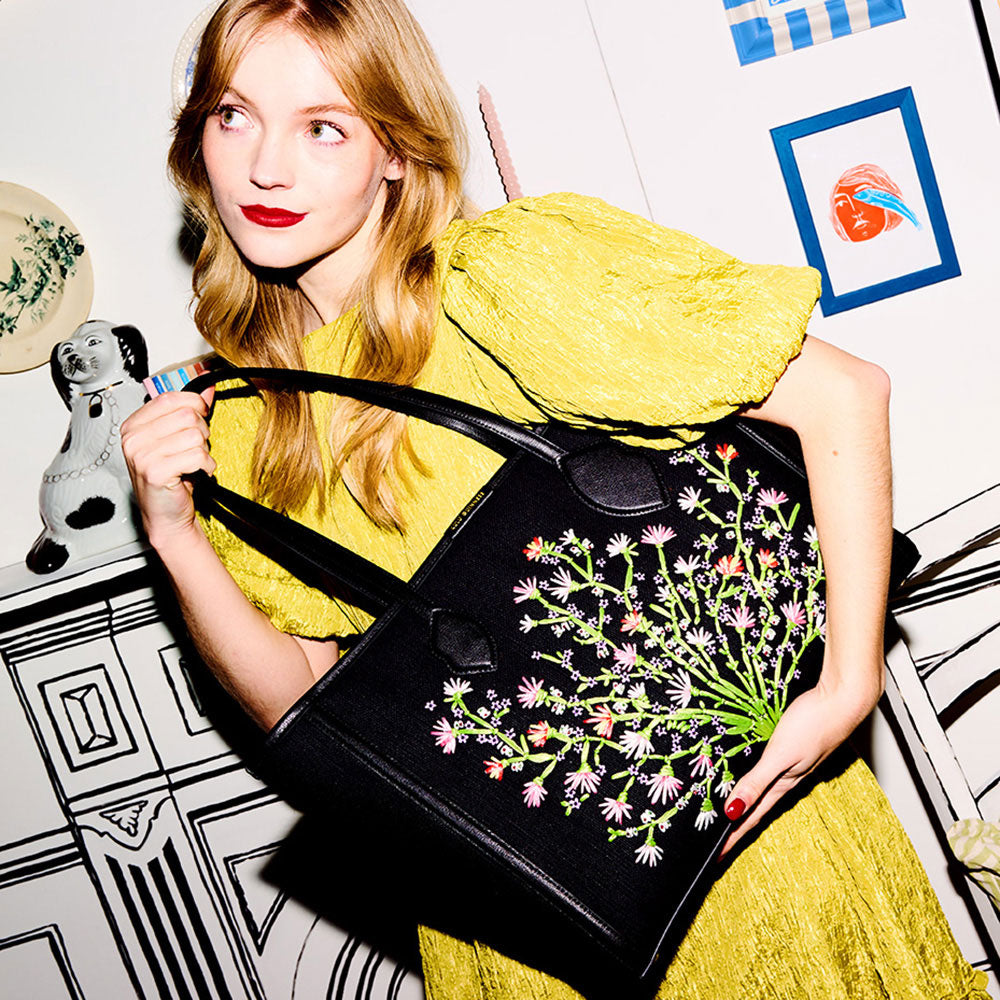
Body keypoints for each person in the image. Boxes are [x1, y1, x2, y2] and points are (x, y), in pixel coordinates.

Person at [121, 1, 990, 997]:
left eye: (323, 126)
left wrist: (845, 685)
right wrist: (173, 529)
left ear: (395, 151)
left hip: (732, 859)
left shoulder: (499, 276)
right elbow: (303, 697)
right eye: (235, 116)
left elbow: (843, 391)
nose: (265, 167)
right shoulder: (238, 420)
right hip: (515, 912)